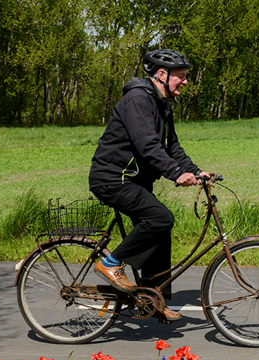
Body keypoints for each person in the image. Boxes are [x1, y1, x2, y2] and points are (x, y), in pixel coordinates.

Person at [87, 48, 210, 322]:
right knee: (160, 218)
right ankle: (110, 263)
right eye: (181, 76)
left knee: (160, 229)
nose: (186, 82)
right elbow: (147, 145)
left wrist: (195, 171)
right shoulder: (138, 100)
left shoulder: (162, 104)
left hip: (134, 180)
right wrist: (175, 174)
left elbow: (172, 147)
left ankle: (153, 297)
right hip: (113, 178)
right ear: (162, 75)